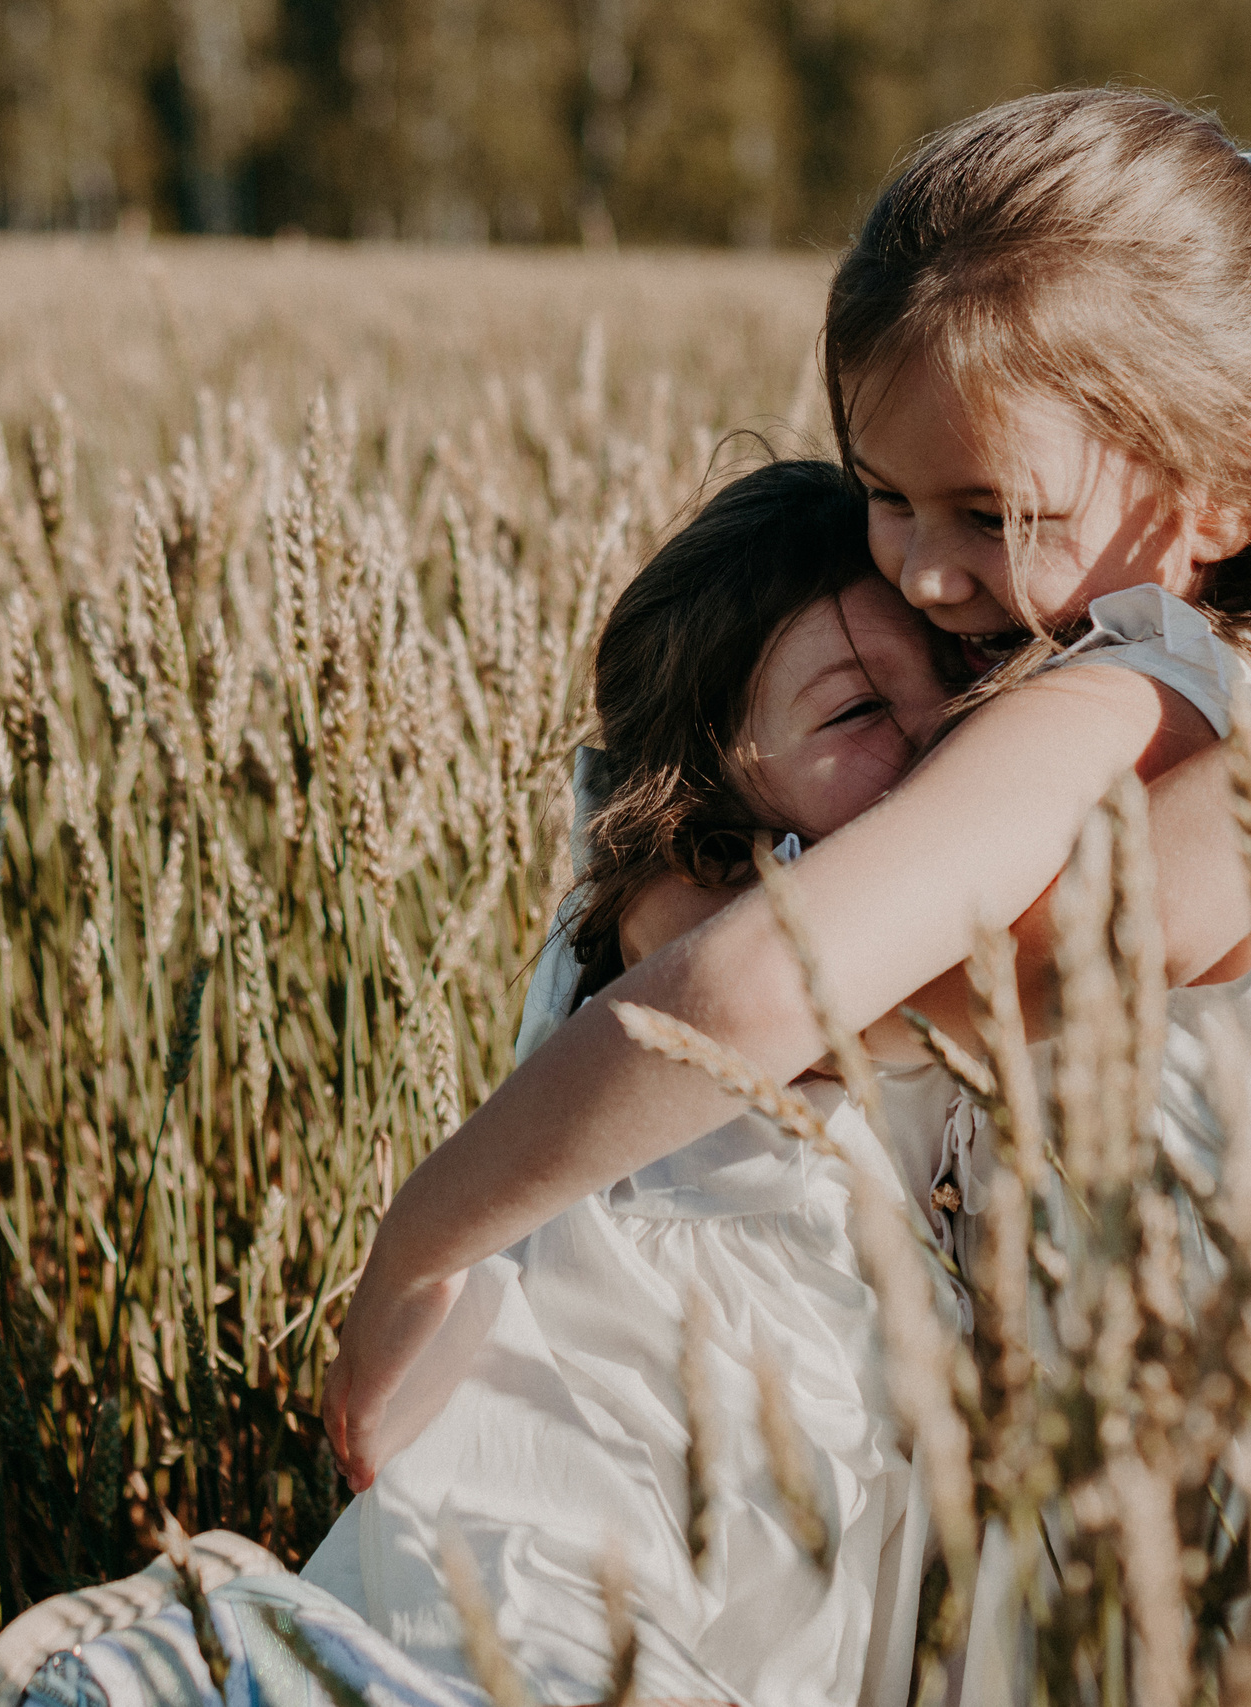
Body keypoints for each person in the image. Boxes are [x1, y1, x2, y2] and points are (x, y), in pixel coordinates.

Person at [327, 86, 1251, 1695]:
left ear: (1221, 491)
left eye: (991, 514)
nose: (924, 572)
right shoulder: (1224, 698)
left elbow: (770, 990)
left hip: (1179, 1484)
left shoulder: (1112, 703)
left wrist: (418, 1244)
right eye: (888, 491)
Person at [303, 459, 982, 1706]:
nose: (932, 728)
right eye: (853, 712)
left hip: (775, 1489)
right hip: (612, 1466)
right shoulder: (731, 921)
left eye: (948, 674)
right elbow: (748, 987)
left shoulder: (742, 890)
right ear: (709, 786)